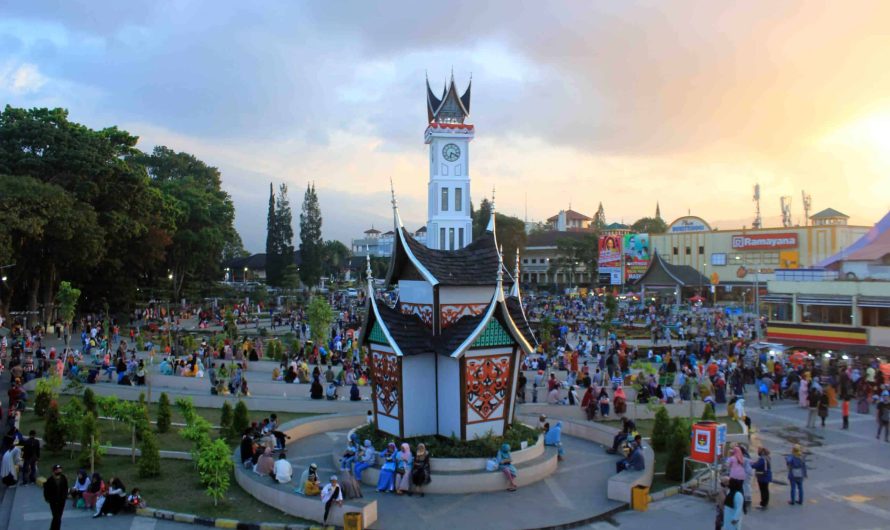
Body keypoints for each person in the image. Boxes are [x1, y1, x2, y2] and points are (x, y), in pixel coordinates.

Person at [43, 464, 68, 530]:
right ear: (54, 471)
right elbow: (46, 490)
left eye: (60, 469)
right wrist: (47, 498)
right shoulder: (50, 480)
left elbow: (66, 488)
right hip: (53, 501)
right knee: (56, 516)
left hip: (61, 501)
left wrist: (65, 496)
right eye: (57, 470)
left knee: (58, 517)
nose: (59, 471)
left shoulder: (63, 478)